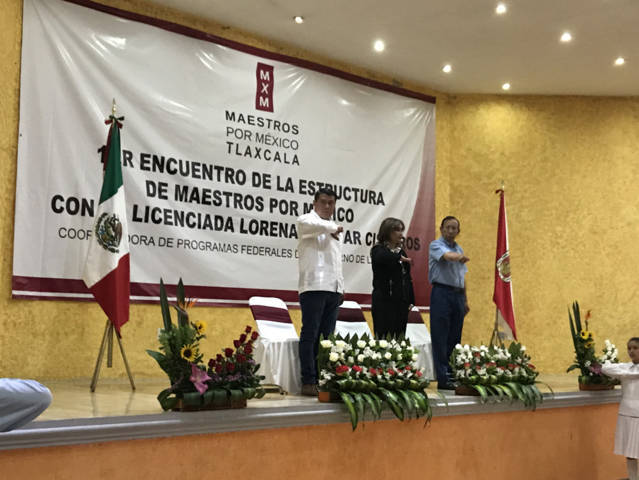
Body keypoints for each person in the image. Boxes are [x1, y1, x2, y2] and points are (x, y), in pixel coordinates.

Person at [297, 187, 344, 396]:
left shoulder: (335, 228)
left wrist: (341, 287)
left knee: (327, 338)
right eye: (323, 202)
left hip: (333, 288)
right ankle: (308, 380)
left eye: (331, 203)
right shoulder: (306, 220)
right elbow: (311, 225)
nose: (327, 206)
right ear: (314, 203)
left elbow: (336, 261)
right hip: (314, 286)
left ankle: (323, 379)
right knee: (310, 333)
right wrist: (331, 227)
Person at [428, 216, 469, 391]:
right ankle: (443, 379)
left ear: (458, 231)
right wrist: (460, 257)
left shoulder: (459, 248)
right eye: (448, 227)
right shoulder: (435, 245)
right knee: (441, 337)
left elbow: (462, 277)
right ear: (441, 228)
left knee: (455, 337)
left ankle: (453, 375)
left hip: (457, 295)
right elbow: (448, 256)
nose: (451, 231)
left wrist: (465, 299)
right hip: (442, 293)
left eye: (454, 228)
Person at [601, 337, 639, 480]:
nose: (631, 351)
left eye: (635, 348)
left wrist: (624, 374)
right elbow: (605, 368)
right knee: (630, 453)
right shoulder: (626, 367)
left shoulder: (625, 370)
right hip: (626, 413)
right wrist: (626, 373)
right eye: (629, 348)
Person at [371, 217, 415, 339]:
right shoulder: (378, 249)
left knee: (399, 339)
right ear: (387, 232)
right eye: (396, 230)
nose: (400, 234)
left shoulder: (402, 252)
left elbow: (407, 277)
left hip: (401, 302)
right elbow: (383, 257)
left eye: (401, 230)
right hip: (384, 302)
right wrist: (398, 258)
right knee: (383, 339)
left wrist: (411, 299)